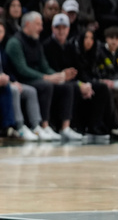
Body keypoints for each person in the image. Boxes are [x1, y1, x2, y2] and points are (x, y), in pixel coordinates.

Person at [5, 12, 77, 142]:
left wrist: (58, 75)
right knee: (46, 85)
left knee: (66, 86)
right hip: (21, 79)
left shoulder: (36, 41)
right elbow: (22, 69)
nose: (41, 28)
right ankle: (44, 125)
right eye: (38, 24)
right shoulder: (15, 42)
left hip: (37, 78)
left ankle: (65, 127)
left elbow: (44, 66)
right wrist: (46, 77)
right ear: (28, 24)